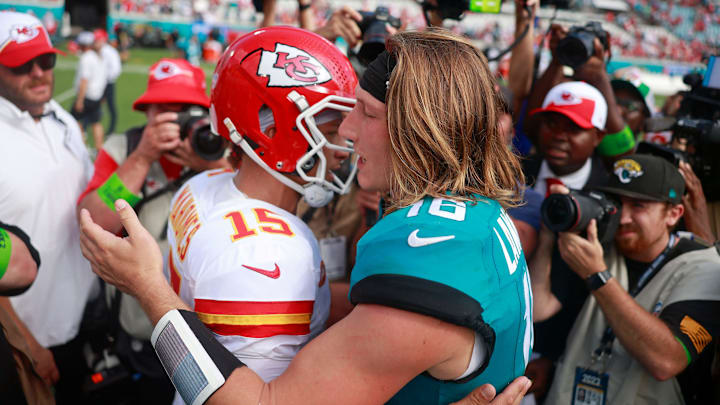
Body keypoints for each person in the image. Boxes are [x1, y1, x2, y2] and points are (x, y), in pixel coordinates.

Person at [79, 28, 532, 404]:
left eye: (365, 114)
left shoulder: (209, 186)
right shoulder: (472, 216)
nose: (349, 134)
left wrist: (148, 288)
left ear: (418, 129)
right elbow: (372, 321)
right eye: (337, 119)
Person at [163, 26, 355, 404]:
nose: (343, 149)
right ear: (269, 131)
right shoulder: (267, 256)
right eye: (329, 129)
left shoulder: (205, 183)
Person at [77, 57, 229, 403]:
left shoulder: (225, 152)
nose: (175, 121)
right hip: (135, 335)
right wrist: (143, 157)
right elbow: (92, 224)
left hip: (208, 339)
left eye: (186, 109)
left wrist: (214, 165)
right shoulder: (125, 147)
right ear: (146, 112)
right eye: (163, 109)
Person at [536, 154, 720, 404]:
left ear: (674, 214)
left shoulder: (705, 267)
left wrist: (597, 276)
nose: (623, 218)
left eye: (639, 206)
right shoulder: (597, 245)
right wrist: (549, 235)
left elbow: (666, 360)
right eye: (618, 203)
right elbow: (538, 308)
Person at [0, 11, 96, 403]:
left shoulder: (64, 120)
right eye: (22, 64)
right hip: (23, 343)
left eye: (46, 60)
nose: (39, 73)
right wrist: (27, 343)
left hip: (82, 323)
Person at [71, 30, 106, 150]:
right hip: (96, 95)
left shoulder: (86, 58)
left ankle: (81, 147)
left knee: (75, 122)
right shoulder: (98, 57)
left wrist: (80, 100)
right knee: (96, 123)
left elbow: (84, 80)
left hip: (87, 96)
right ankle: (99, 149)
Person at [94, 28, 122, 135]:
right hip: (99, 82)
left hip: (107, 83)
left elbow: (116, 69)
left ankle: (111, 129)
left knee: (110, 107)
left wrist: (105, 78)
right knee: (94, 105)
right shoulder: (98, 52)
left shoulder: (109, 52)